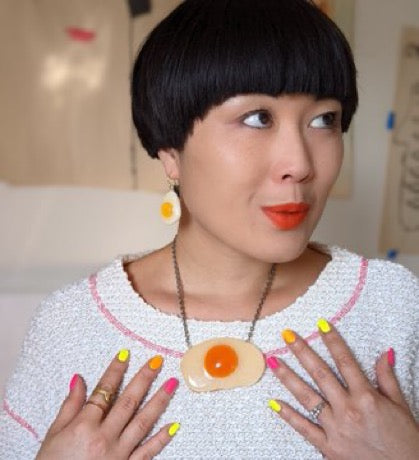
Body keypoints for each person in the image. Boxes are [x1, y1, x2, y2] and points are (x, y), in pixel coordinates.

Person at [1, 0, 418, 458]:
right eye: (258, 118)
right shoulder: (71, 326)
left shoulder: (393, 306)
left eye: (324, 120)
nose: (300, 164)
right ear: (170, 151)